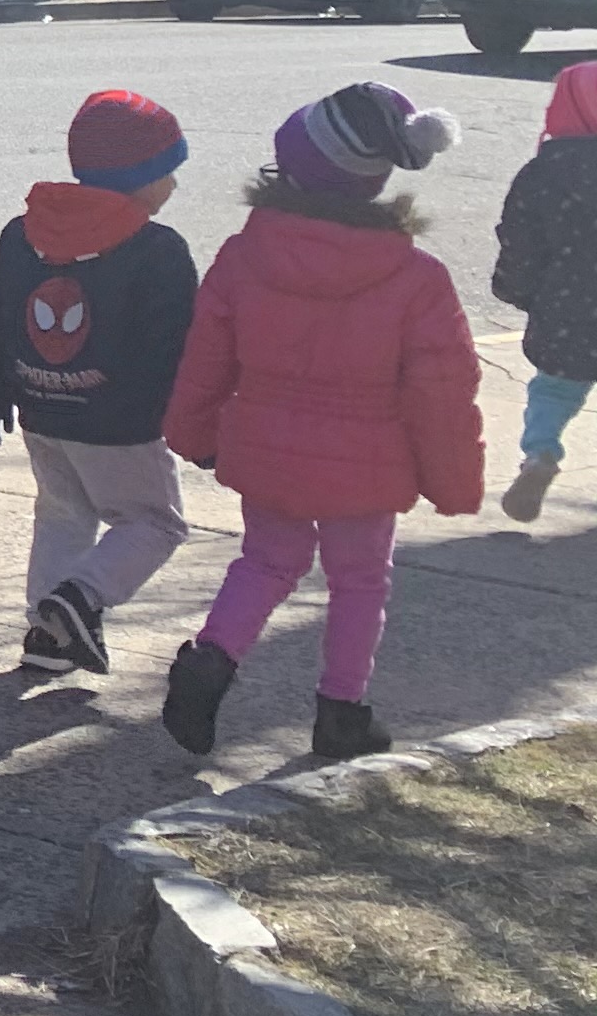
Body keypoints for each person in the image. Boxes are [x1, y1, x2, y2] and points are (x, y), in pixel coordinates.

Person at [161, 86, 485, 762]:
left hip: (266, 446)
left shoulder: (246, 254)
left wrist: (192, 433)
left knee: (267, 561)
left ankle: (210, 661)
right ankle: (341, 710)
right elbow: (443, 392)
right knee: (359, 580)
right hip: (367, 463)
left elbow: (205, 356)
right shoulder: (416, 277)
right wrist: (453, 482)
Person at [0, 91, 198, 676]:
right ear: (140, 177)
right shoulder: (157, 250)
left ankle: (48, 637)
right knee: (154, 522)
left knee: (63, 514)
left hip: (43, 404)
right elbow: (174, 349)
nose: (173, 185)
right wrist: (189, 421)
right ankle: (81, 598)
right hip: (123, 422)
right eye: (168, 170)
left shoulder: (22, 233)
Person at [489, 61, 597, 523]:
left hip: (566, 305)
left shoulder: (544, 172)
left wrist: (516, 290)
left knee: (554, 388)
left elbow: (520, 240)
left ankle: (540, 455)